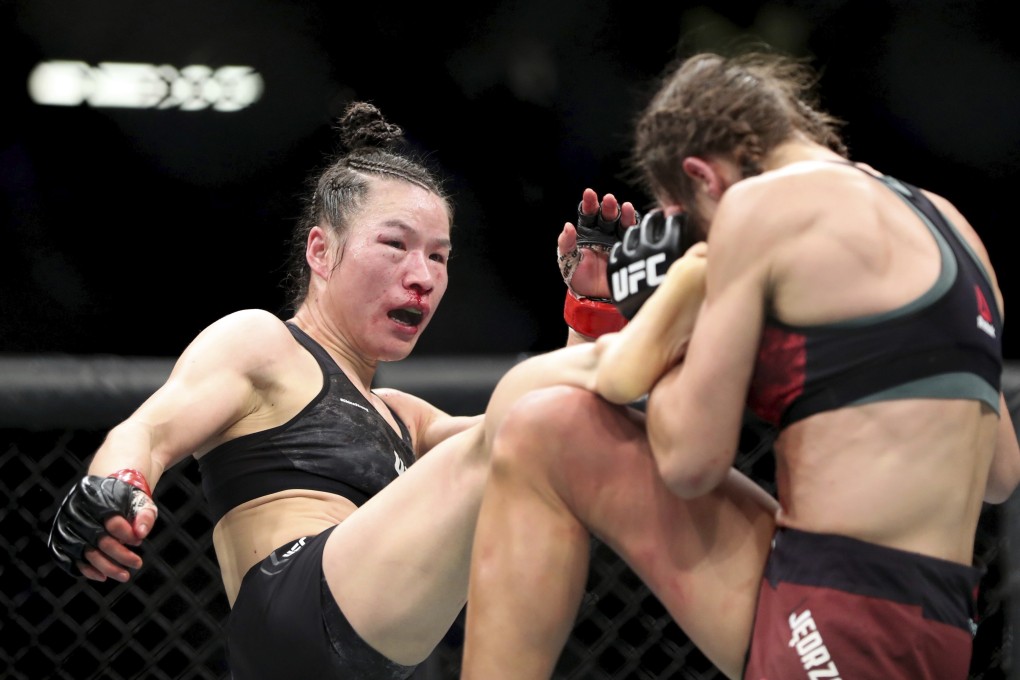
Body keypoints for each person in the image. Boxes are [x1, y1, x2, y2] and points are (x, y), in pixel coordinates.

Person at [458, 49, 1020, 679]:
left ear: (704, 178)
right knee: (549, 425)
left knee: (545, 427)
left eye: (694, 224)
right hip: (941, 620)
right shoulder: (946, 221)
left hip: (840, 622)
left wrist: (666, 313)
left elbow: (690, 462)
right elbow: (1000, 471)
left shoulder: (759, 207)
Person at [45, 99, 638, 679]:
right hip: (293, 613)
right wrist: (116, 482)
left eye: (439, 256)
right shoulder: (263, 343)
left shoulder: (410, 418)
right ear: (322, 251)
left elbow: (559, 419)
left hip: (376, 658)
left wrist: (594, 309)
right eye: (396, 244)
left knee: (552, 432)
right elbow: (147, 429)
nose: (423, 276)